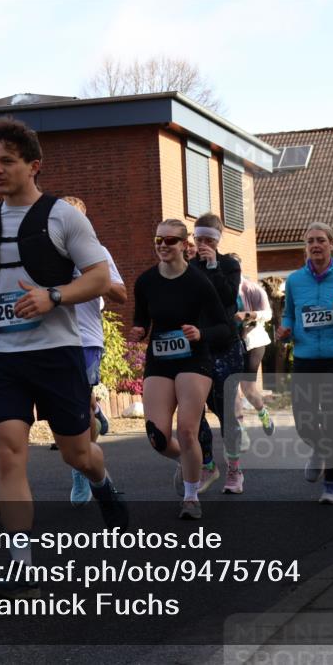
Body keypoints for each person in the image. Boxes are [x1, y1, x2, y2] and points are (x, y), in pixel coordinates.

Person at [0, 117, 127, 599]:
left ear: (33, 165)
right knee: (8, 449)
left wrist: (54, 295)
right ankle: (22, 561)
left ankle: (103, 482)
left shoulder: (64, 217)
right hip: (3, 355)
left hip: (57, 353)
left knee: (77, 453)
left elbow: (99, 278)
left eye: (7, 161)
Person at [128, 219, 231, 518]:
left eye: (170, 240)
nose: (162, 245)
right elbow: (141, 318)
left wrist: (201, 333)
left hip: (194, 359)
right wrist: (139, 330)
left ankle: (190, 497)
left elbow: (224, 328)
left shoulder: (199, 282)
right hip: (160, 360)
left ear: (185, 245)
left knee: (187, 430)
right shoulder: (146, 281)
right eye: (158, 239)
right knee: (157, 438)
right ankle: (192, 463)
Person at [275, 222, 333, 504]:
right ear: (306, 247)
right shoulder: (294, 281)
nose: (315, 245)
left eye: (321, 240)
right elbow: (290, 315)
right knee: (304, 424)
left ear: (331, 245)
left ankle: (331, 485)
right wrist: (285, 331)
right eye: (310, 241)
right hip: (305, 360)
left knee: (330, 423)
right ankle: (318, 449)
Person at [60, 196, 128, 507]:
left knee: (77, 409)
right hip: (51, 339)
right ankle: (94, 413)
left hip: (85, 339)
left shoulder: (97, 252)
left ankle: (81, 469)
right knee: (66, 408)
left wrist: (93, 275)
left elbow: (120, 294)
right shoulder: (47, 251)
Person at [189, 213, 246, 495]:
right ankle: (208, 464)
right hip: (197, 348)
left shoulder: (228, 265)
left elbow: (227, 299)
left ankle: (234, 469)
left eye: (208, 240)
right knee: (195, 410)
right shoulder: (188, 267)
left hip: (225, 346)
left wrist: (213, 266)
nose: (203, 245)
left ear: (217, 241)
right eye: (198, 239)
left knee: (226, 411)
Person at [233, 269, 275, 443]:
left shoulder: (252, 289)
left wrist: (249, 315)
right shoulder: (220, 287)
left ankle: (263, 413)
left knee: (247, 389)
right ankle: (240, 430)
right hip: (230, 343)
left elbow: (268, 314)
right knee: (232, 387)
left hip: (253, 342)